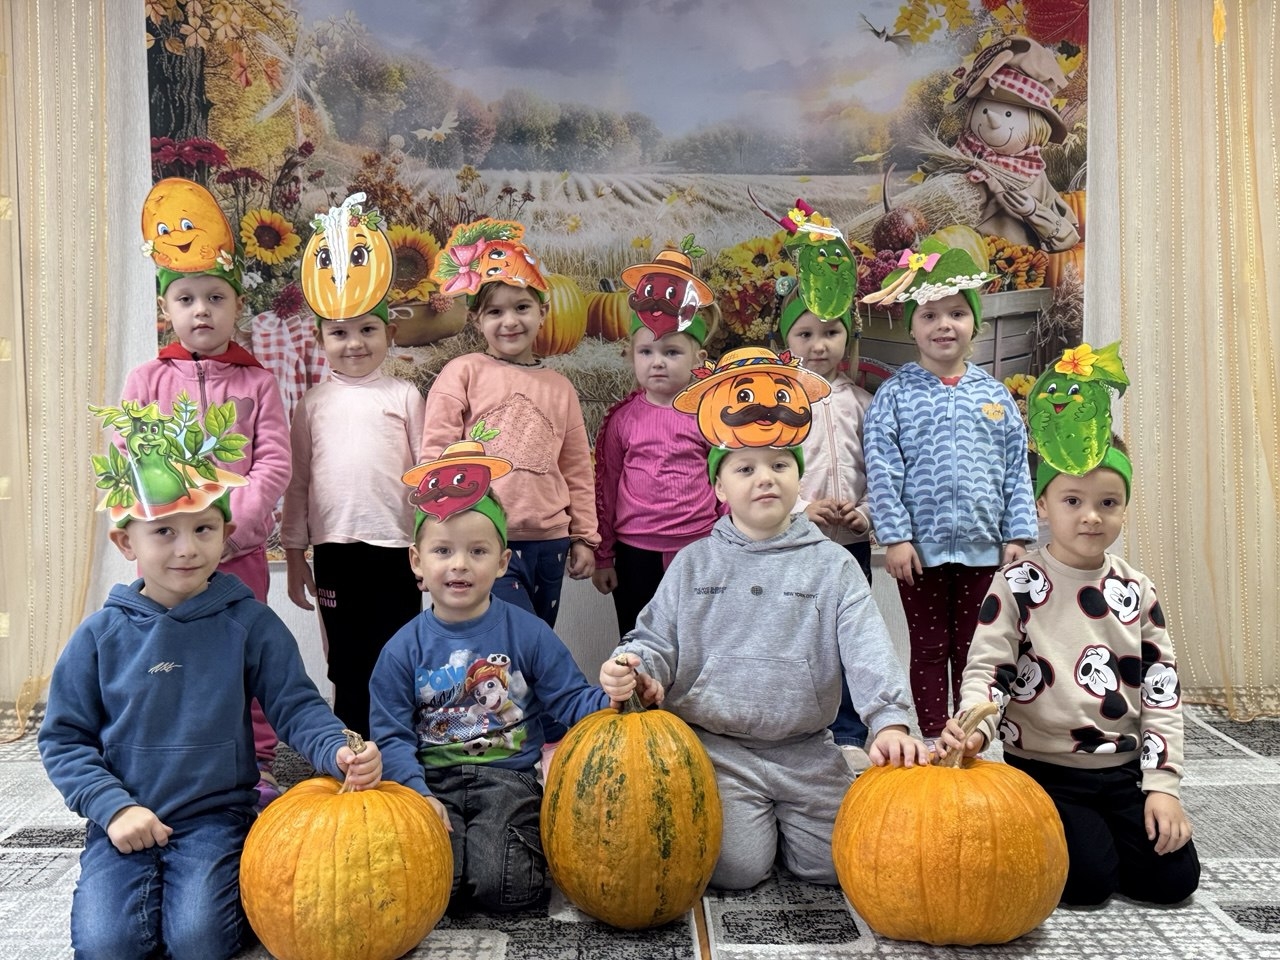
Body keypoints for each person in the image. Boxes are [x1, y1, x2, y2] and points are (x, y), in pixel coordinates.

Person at [40, 399, 383, 960]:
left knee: (200, 942)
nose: (187, 548)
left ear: (226, 535)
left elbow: (296, 705)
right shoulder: (99, 636)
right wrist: (112, 807)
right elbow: (63, 738)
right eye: (164, 532)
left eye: (203, 528)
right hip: (122, 813)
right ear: (126, 543)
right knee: (107, 947)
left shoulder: (250, 623)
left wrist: (336, 748)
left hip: (215, 815)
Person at [602, 347, 926, 891]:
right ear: (719, 486)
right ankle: (757, 826)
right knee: (737, 870)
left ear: (799, 478)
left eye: (780, 465)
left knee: (836, 866)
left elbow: (869, 648)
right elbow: (654, 638)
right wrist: (634, 666)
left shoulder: (832, 566)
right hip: (716, 748)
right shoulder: (694, 562)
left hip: (806, 749)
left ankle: (795, 816)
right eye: (745, 468)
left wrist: (889, 720)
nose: (765, 479)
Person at [939, 342, 1199, 906]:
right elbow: (989, 669)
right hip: (1043, 768)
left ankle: (1109, 835)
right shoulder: (1016, 584)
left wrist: (1163, 788)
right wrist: (975, 727)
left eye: (1108, 503)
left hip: (1122, 769)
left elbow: (1162, 691)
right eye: (1073, 500)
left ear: (1124, 508)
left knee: (1173, 881)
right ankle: (1077, 841)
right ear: (1042, 505)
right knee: (1086, 884)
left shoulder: (1137, 589)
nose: (1091, 516)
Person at [369, 447, 609, 912]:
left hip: (508, 779)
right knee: (435, 888)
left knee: (504, 888)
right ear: (417, 561)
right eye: (443, 551)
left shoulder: (528, 632)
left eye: (477, 551)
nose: (459, 564)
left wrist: (615, 700)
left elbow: (571, 700)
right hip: (430, 779)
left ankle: (517, 841)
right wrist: (417, 794)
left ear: (502, 562)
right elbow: (391, 735)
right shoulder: (401, 649)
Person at [128, 177, 290, 804]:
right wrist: (159, 531)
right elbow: (131, 457)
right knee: (169, 655)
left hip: (239, 552)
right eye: (187, 298)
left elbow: (273, 460)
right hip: (167, 556)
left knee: (244, 650)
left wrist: (235, 524)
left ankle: (259, 760)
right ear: (166, 308)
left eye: (216, 297)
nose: (202, 310)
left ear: (236, 305)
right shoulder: (146, 380)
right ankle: (170, 756)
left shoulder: (258, 383)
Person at [862, 239, 1037, 742]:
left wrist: (1018, 535)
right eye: (929, 315)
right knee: (929, 647)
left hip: (985, 549)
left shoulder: (994, 394)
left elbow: (1015, 469)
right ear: (912, 327)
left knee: (975, 649)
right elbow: (882, 470)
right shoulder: (894, 395)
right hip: (919, 552)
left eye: (957, 313)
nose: (944, 324)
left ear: (973, 324)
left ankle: (969, 736)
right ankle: (934, 735)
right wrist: (895, 538)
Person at [282, 193, 424, 738]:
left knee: (399, 653)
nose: (354, 343)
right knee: (346, 657)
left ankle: (401, 745)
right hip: (335, 550)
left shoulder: (404, 395)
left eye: (368, 329)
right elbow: (298, 484)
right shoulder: (311, 405)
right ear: (320, 339)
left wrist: (430, 547)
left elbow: (428, 474)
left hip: (397, 548)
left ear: (390, 334)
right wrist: (295, 555)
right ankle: (352, 746)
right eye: (339, 333)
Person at [421, 218, 598, 628]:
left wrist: (585, 536)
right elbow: (436, 458)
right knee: (512, 636)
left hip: (550, 541)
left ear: (543, 312)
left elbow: (576, 466)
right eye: (495, 312)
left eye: (522, 308)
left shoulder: (560, 387)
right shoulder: (463, 372)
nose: (510, 321)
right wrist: (433, 538)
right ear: (477, 319)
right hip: (482, 536)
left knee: (535, 641)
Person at [777, 222, 876, 759]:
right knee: (800, 635)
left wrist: (867, 513)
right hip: (798, 543)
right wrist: (801, 508)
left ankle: (850, 731)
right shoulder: (779, 404)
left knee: (850, 635)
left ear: (847, 338)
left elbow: (882, 471)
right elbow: (769, 470)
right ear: (785, 342)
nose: (819, 344)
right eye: (805, 334)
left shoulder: (862, 402)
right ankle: (800, 728)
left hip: (851, 545)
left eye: (831, 332)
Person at [592, 245, 720, 635]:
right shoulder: (622, 419)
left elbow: (727, 484)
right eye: (646, 351)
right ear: (631, 356)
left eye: (671, 351)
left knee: (696, 643)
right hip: (635, 553)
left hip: (699, 548)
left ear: (698, 359)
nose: (657, 361)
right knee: (638, 643)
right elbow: (606, 486)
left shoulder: (709, 416)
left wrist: (729, 544)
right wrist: (604, 556)